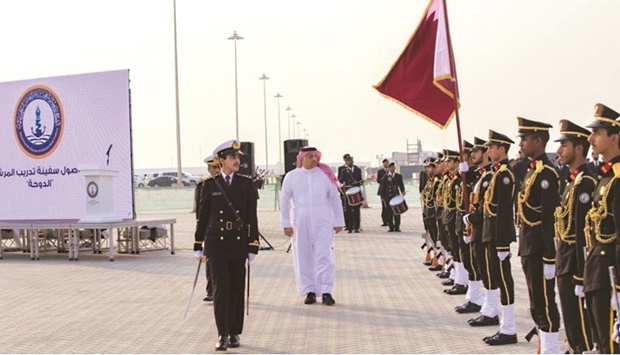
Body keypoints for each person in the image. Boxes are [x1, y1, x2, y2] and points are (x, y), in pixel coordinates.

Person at [193, 139, 260, 351]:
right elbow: (202, 217)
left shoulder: (245, 184)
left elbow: (252, 217)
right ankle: (221, 333)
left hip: (238, 243)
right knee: (220, 290)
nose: (237, 161)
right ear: (221, 160)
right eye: (232, 157)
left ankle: (234, 332)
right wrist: (198, 243)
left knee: (236, 289)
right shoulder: (209, 185)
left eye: (238, 157)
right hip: (216, 244)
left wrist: (253, 245)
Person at [516, 117, 562, 353]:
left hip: (539, 249)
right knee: (536, 301)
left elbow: (547, 219)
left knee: (544, 302)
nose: (521, 144)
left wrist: (549, 258)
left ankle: (552, 348)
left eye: (524, 139)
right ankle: (545, 345)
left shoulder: (546, 174)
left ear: (538, 140)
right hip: (528, 246)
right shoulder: (531, 170)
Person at [280, 146, 345, 306]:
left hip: (323, 223)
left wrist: (339, 221)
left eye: (316, 156)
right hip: (300, 224)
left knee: (324, 257)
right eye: (310, 156)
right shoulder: (291, 177)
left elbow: (335, 198)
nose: (314, 159)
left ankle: (326, 291)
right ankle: (309, 290)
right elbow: (284, 200)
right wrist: (286, 223)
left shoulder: (324, 175)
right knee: (303, 257)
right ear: (302, 158)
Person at [553, 120, 595, 353]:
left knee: (581, 328)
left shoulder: (585, 182)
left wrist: (581, 276)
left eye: (564, 145)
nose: (559, 151)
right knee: (570, 320)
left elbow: (582, 233)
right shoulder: (572, 181)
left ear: (579, 148)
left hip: (575, 267)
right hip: (565, 262)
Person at [584, 103, 620, 354]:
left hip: (611, 274)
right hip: (597, 269)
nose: (590, 138)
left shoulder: (618, 178)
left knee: (610, 344)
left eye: (597, 133)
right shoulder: (604, 177)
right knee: (601, 342)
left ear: (615, 137)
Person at [479, 130, 518, 346]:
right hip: (492, 234)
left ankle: (509, 328)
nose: (488, 150)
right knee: (497, 278)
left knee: (504, 281)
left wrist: (503, 243)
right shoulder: (498, 172)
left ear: (501, 149)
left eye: (491, 147)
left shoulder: (505, 175)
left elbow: (503, 212)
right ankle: (504, 326)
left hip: (499, 236)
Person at [462, 137, 498, 319]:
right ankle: (483, 304)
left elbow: (486, 205)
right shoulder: (482, 176)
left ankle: (491, 310)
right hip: (477, 229)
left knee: (489, 272)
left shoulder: (490, 177)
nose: (472, 155)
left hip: (485, 230)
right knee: (480, 267)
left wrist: (471, 218)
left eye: (476, 152)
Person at [195, 154, 221, 302]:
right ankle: (211, 290)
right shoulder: (204, 185)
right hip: (210, 228)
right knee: (210, 260)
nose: (215, 170)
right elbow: (200, 210)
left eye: (217, 167)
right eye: (213, 168)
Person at [338, 154, 363, 233]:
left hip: (356, 192)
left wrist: (360, 182)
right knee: (348, 211)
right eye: (348, 161)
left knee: (356, 211)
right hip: (348, 193)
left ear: (353, 161)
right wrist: (342, 185)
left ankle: (356, 227)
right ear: (346, 162)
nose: (349, 162)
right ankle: (349, 227)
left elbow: (360, 179)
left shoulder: (358, 169)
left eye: (351, 161)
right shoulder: (344, 171)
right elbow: (340, 180)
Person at [379, 162, 405, 232]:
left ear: (395, 168)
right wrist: (383, 197)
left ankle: (397, 226)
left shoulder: (398, 176)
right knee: (389, 212)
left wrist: (403, 191)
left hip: (395, 196)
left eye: (393, 167)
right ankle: (391, 226)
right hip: (388, 197)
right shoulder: (386, 177)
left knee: (397, 212)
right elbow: (383, 188)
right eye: (390, 167)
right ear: (388, 168)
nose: (392, 168)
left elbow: (401, 185)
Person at [376, 158, 390, 227]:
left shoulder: (390, 170)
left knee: (389, 207)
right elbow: (378, 180)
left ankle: (390, 220)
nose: (386, 164)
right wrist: (384, 179)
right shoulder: (380, 171)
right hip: (383, 191)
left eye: (387, 163)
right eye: (384, 163)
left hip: (390, 191)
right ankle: (384, 221)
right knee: (384, 206)